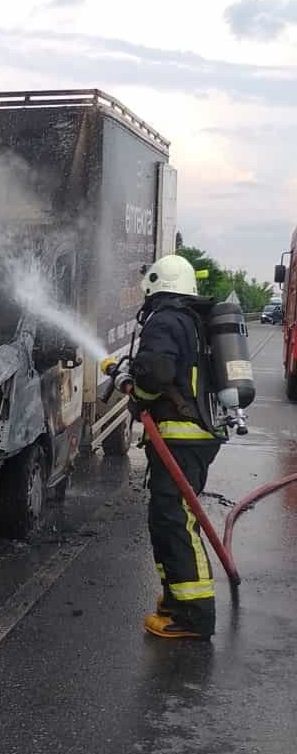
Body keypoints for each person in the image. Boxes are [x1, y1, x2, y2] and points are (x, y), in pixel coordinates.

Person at [129, 254, 223, 641]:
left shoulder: (165, 319)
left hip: (180, 436)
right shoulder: (191, 320)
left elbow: (156, 373)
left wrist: (134, 387)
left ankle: (195, 616)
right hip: (190, 436)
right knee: (166, 519)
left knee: (177, 522)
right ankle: (175, 601)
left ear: (157, 283)